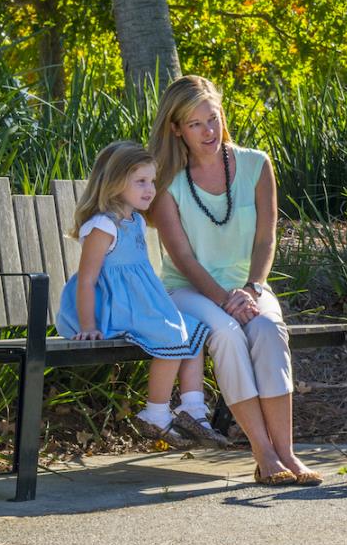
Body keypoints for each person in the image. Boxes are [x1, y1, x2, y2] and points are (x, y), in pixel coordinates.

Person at [147, 75, 322, 487]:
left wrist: (253, 288)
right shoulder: (167, 183)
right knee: (226, 332)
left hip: (249, 286)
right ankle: (263, 454)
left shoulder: (256, 164)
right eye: (195, 124)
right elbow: (183, 259)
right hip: (189, 289)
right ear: (176, 129)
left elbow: (267, 236)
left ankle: (288, 455)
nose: (209, 131)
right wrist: (227, 300)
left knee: (267, 327)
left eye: (213, 118)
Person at [57, 140, 227, 448]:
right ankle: (156, 414)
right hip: (110, 310)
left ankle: (192, 407)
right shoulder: (103, 226)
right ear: (116, 182)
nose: (150, 189)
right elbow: (86, 280)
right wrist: (87, 326)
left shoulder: (134, 220)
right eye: (141, 182)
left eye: (151, 181)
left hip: (137, 305)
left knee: (190, 329)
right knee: (171, 335)